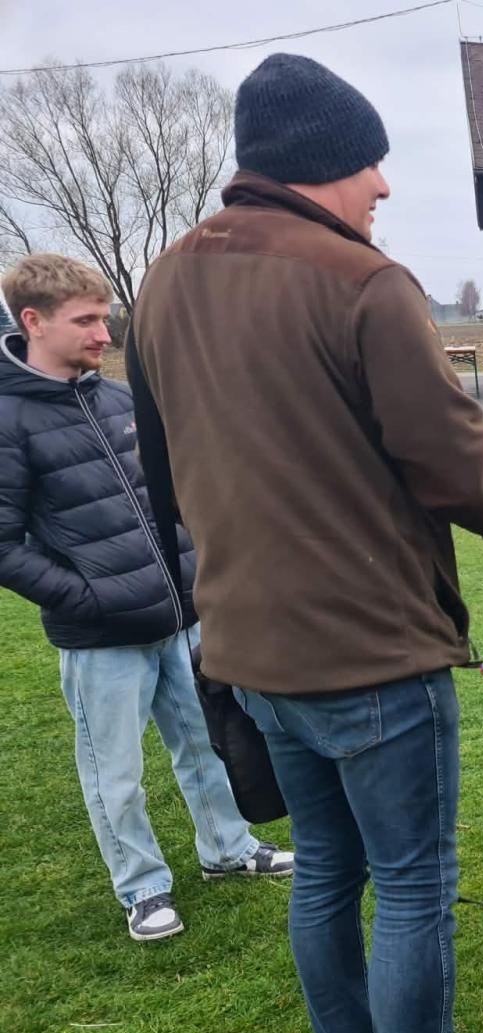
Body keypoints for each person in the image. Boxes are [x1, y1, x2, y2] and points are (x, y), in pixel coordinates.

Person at [132, 53, 483, 1033]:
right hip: (371, 656)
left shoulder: (163, 286)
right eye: (369, 161)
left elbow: (163, 476)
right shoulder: (363, 282)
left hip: (248, 654)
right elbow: (449, 450)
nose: (379, 184)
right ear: (321, 162)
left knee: (326, 872)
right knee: (412, 886)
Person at [0, 253, 292, 944]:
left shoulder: (119, 398)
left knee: (209, 744)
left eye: (105, 317)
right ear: (33, 321)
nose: (105, 334)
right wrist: (89, 598)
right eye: (87, 321)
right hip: (102, 638)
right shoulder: (8, 419)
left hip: (184, 619)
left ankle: (227, 849)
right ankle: (142, 888)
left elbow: (173, 493)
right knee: (116, 772)